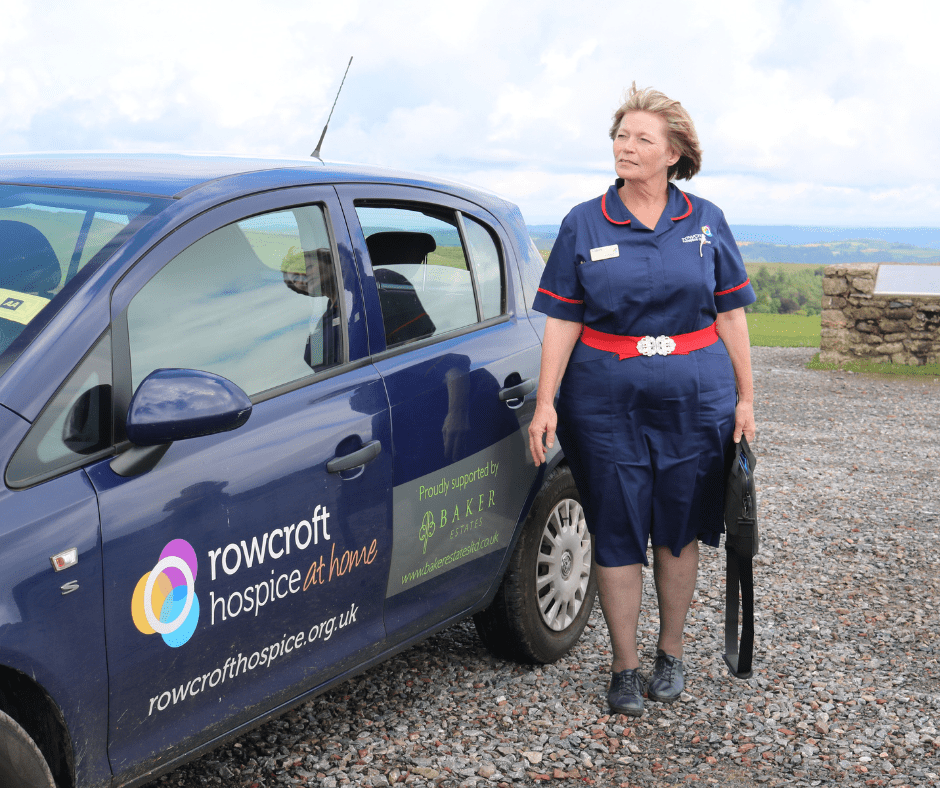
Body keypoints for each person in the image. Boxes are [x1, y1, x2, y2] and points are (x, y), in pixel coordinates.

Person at [528, 84, 756, 718]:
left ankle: (671, 652)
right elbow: (561, 321)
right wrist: (546, 401)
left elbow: (731, 313)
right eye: (620, 136)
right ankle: (624, 666)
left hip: (696, 398)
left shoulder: (706, 220)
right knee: (618, 524)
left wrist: (746, 398)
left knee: (681, 526)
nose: (625, 147)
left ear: (674, 151)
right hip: (603, 401)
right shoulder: (584, 220)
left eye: (641, 138)